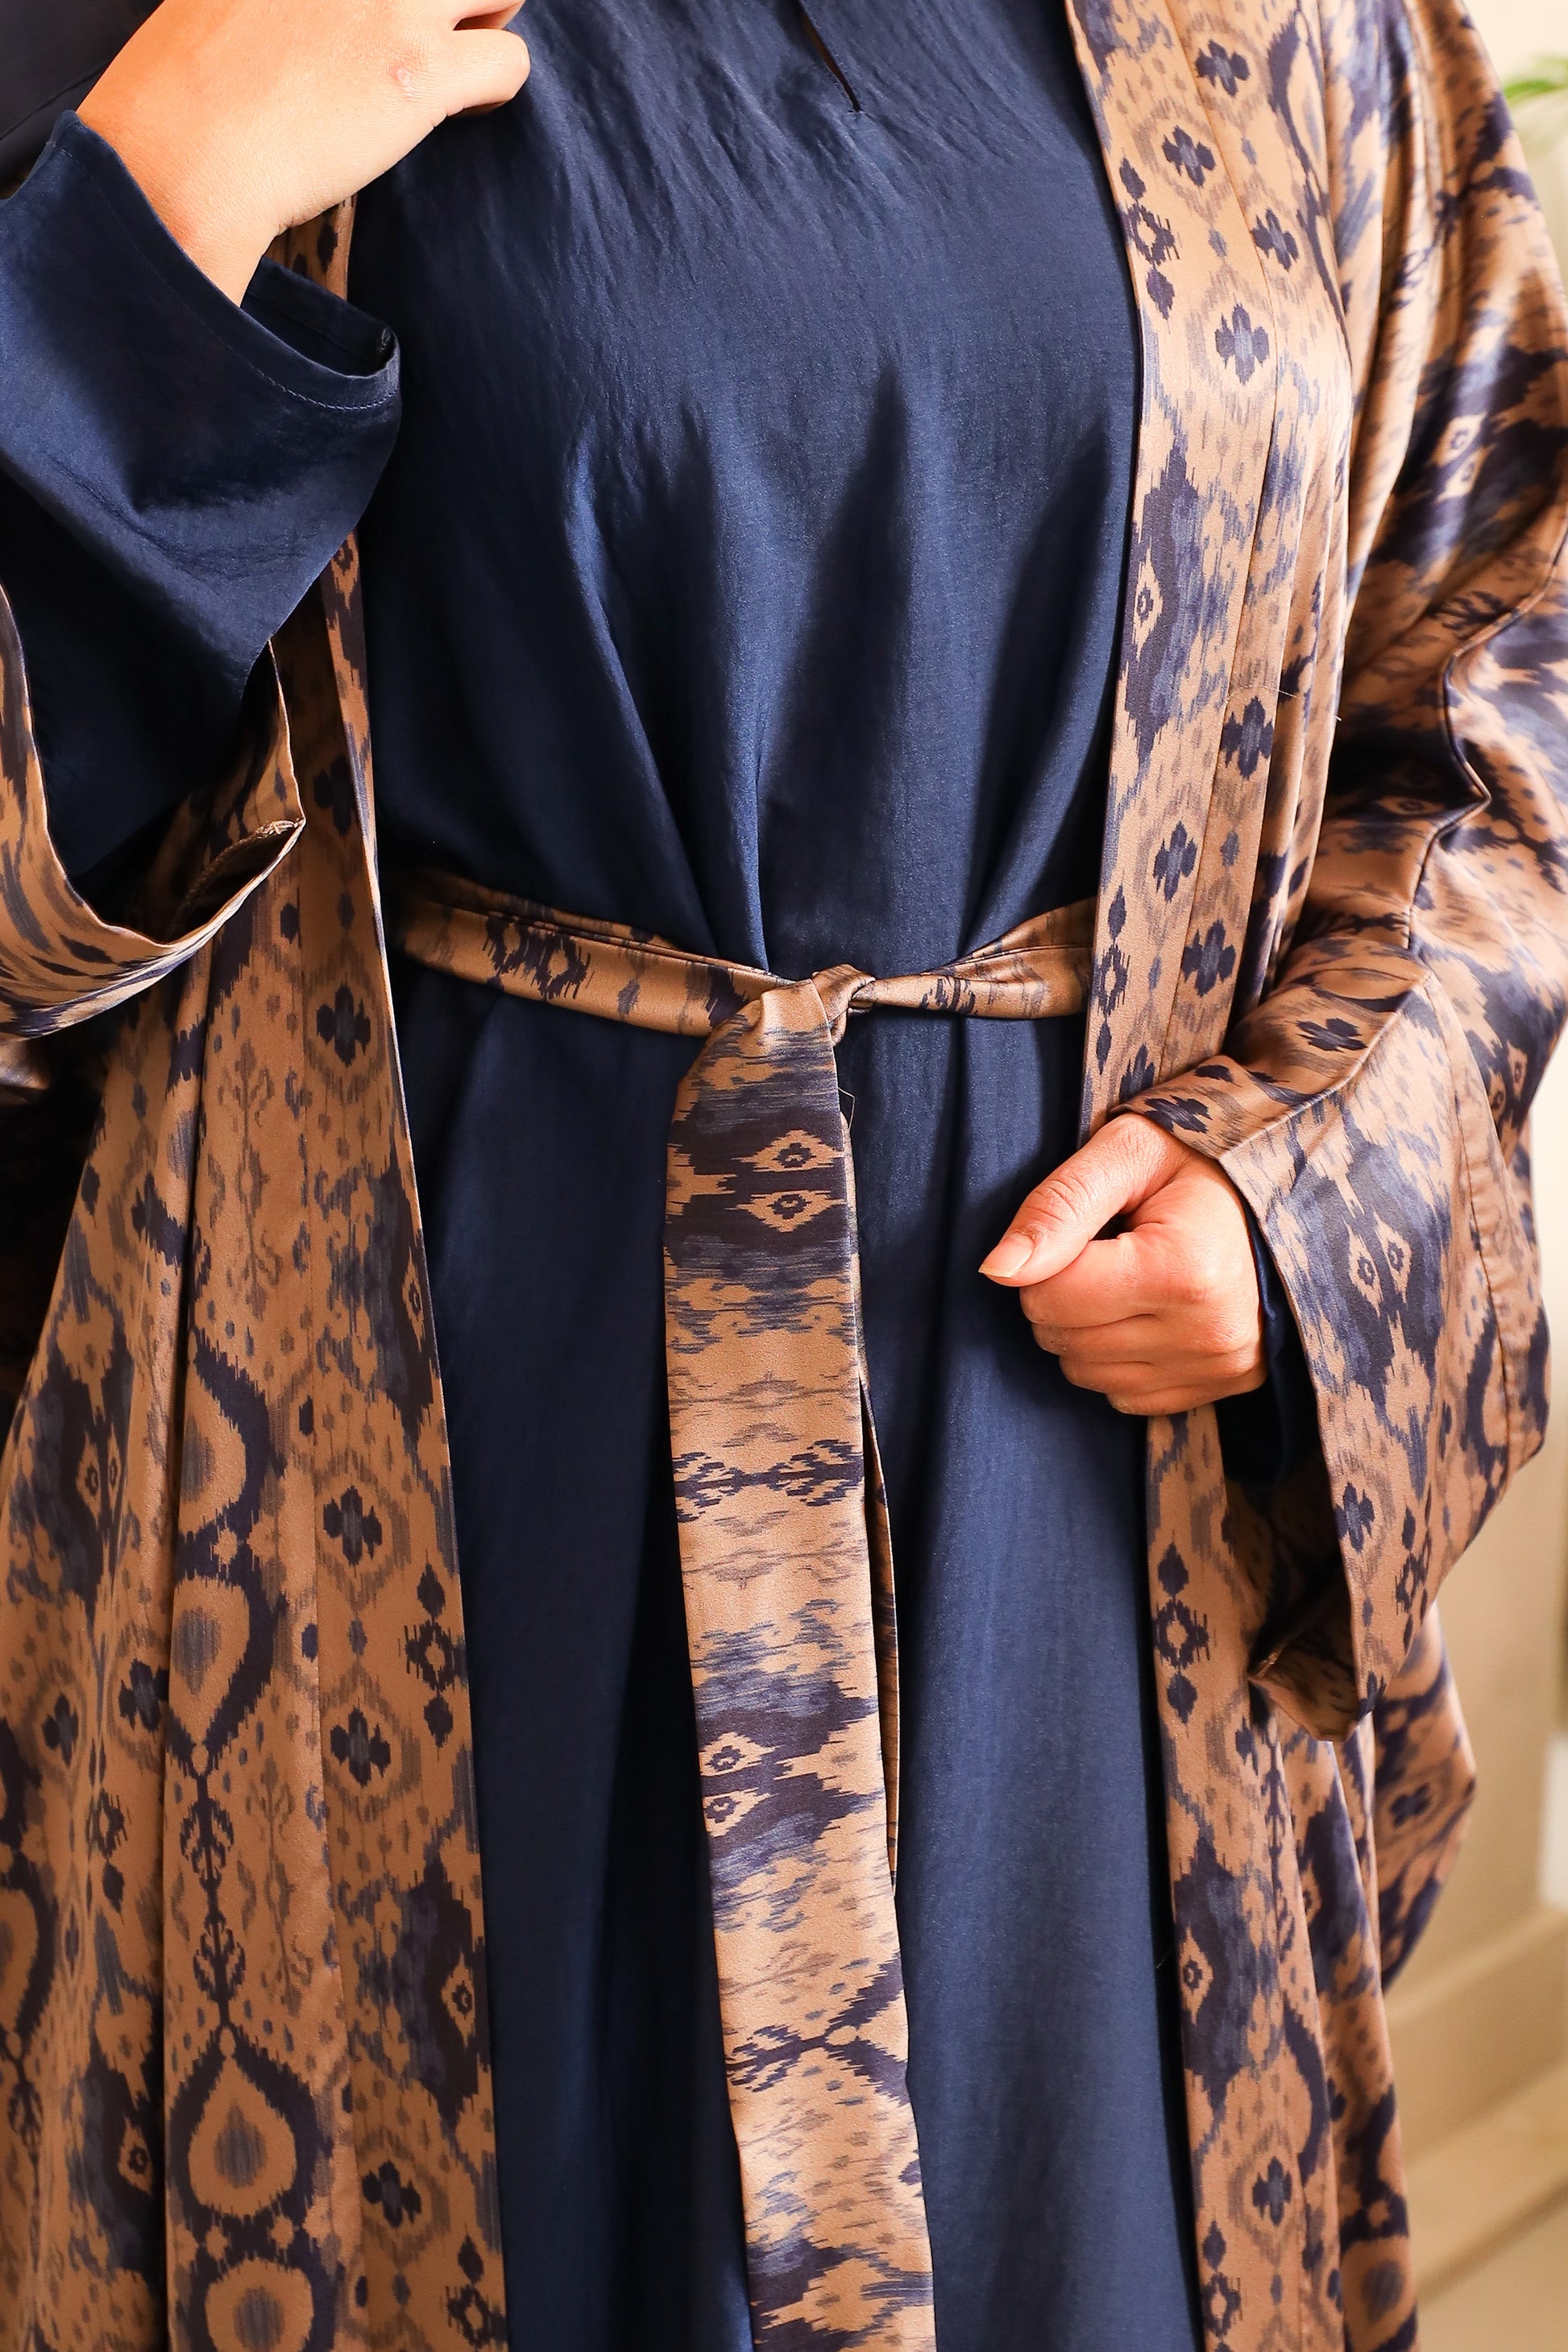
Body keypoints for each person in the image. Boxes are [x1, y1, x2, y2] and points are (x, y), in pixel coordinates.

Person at [0, 0, 1564, 2346]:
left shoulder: (1312, 25)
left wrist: (1312, 1173)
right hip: (433, 1470)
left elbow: (1497, 658)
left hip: (1081, 1498)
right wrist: (150, 211)